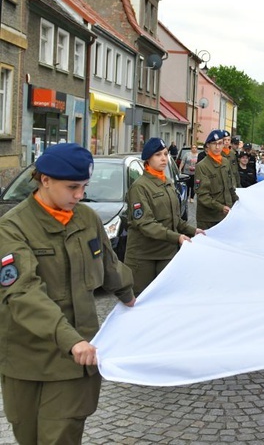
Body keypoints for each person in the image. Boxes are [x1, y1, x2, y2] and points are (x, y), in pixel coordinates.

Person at [0, 143, 135, 444]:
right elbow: (23, 293)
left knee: (59, 437)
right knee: (29, 437)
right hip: (27, 359)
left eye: (84, 187)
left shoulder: (87, 218)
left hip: (76, 359)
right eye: (72, 187)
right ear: (44, 179)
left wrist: (131, 297)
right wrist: (70, 339)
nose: (79, 195)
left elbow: (110, 266)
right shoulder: (12, 227)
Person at [125, 138, 204, 296]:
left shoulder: (167, 182)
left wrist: (193, 231)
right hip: (144, 256)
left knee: (166, 299)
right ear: (148, 159)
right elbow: (145, 223)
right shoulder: (140, 187)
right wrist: (177, 237)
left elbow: (175, 219)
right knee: (143, 301)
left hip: (167, 253)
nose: (163, 158)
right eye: (158, 155)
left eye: (166, 154)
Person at [195, 129, 239, 229]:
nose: (217, 147)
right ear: (208, 146)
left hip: (225, 216)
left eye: (220, 143)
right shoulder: (202, 166)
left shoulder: (225, 162)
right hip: (209, 219)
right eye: (214, 144)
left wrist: (238, 201)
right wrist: (220, 207)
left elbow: (230, 187)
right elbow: (203, 196)